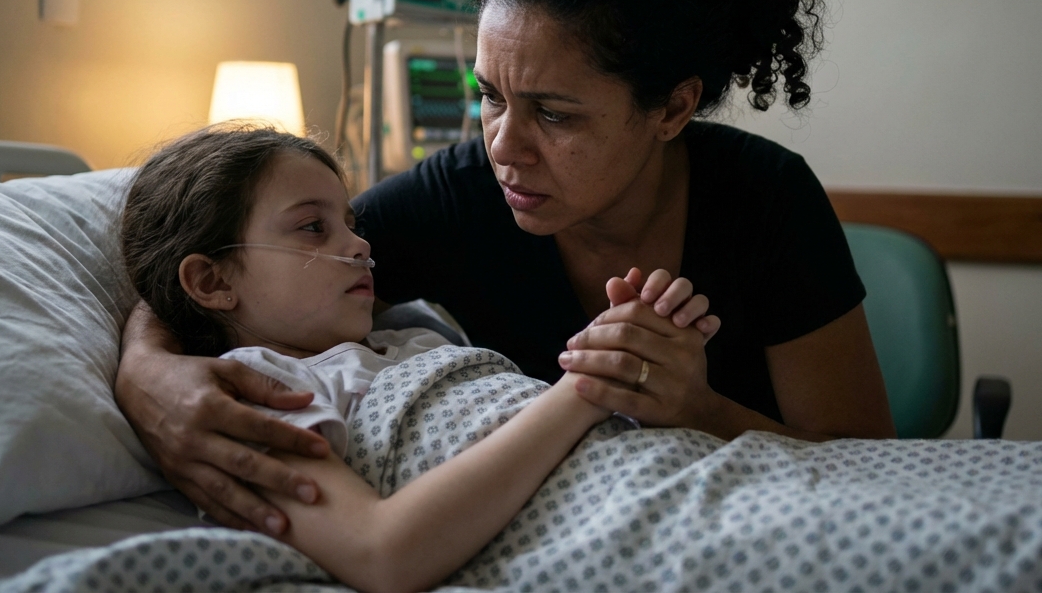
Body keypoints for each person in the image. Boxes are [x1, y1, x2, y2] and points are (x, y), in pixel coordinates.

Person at [115, 0, 895, 537]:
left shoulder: (765, 198)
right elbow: (228, 265)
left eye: (555, 114)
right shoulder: (453, 199)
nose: (503, 147)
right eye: (489, 97)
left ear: (671, 109)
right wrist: (148, 375)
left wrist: (700, 407)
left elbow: (871, 462)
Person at [119, 124, 717, 593]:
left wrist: (646, 357)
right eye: (311, 228)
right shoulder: (257, 393)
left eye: (349, 223)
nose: (359, 244)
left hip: (673, 476)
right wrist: (586, 387)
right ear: (211, 281)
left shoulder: (410, 333)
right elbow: (384, 555)